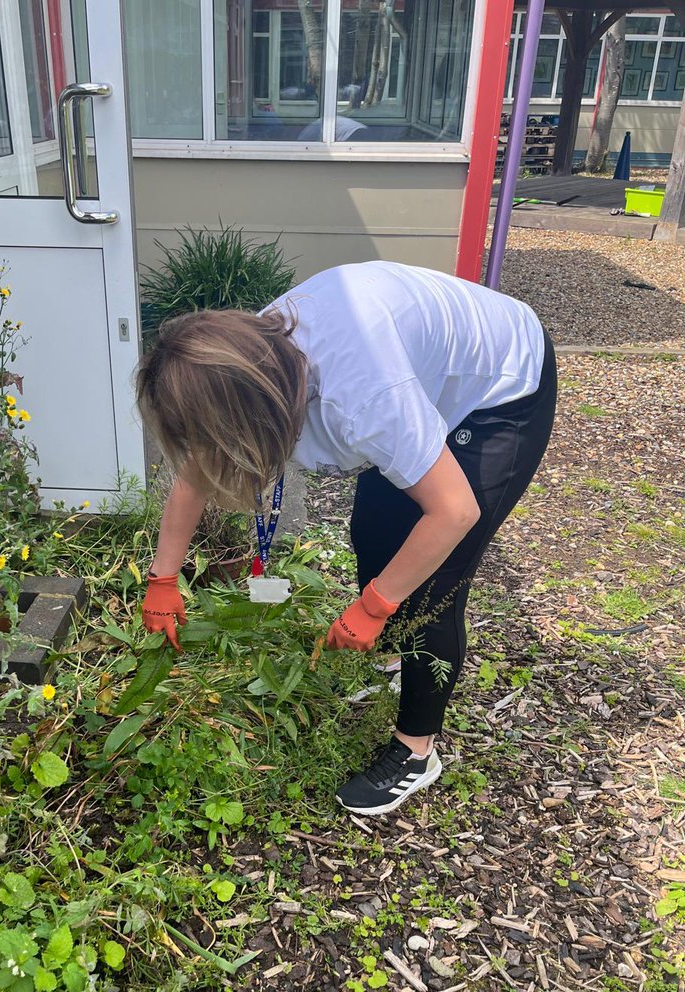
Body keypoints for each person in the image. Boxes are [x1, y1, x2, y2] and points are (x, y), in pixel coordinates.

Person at [136, 261, 556, 816]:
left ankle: (415, 752)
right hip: (416, 375)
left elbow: (454, 513)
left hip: (501, 385)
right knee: (375, 531)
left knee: (434, 587)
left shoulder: (365, 398)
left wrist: (377, 606)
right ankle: (392, 666)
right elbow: (198, 468)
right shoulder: (237, 360)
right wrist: (163, 579)